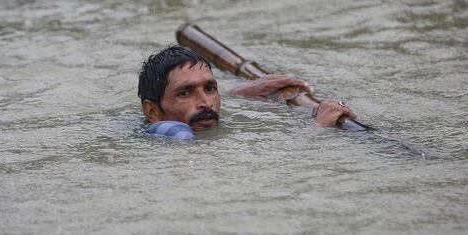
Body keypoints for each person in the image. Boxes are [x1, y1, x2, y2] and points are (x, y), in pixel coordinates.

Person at [138, 46, 356, 139]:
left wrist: (240, 93)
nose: (206, 103)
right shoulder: (173, 141)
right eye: (185, 93)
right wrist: (315, 128)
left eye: (210, 88)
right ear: (152, 111)